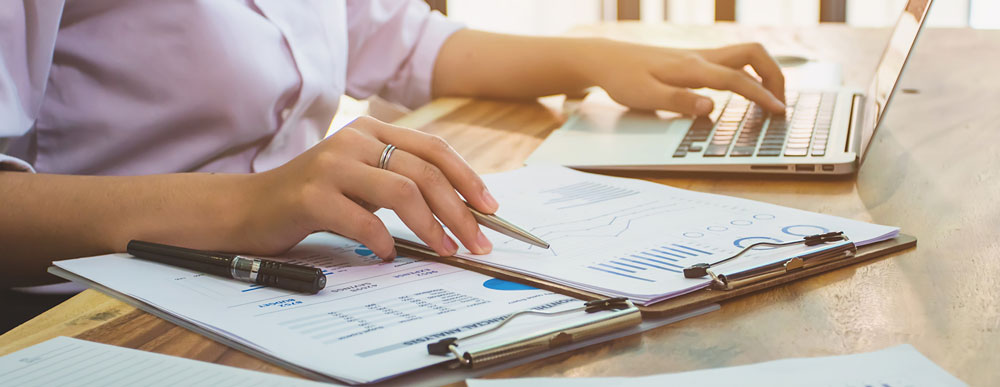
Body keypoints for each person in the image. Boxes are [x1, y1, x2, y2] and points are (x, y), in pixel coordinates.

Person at [0, 0, 785, 289]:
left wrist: (592, 56)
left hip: (304, 271)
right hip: (105, 297)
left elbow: (402, 42)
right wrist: (249, 202)